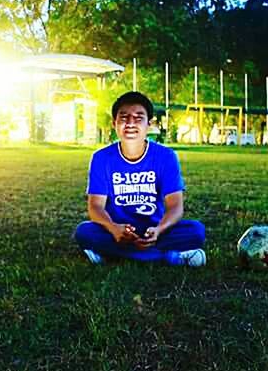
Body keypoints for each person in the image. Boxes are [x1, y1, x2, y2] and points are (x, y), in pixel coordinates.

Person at [73, 91, 206, 267]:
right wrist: (114, 229)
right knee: (84, 231)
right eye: (124, 117)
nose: (130, 123)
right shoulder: (101, 158)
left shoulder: (166, 156)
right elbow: (95, 207)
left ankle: (111, 256)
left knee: (196, 231)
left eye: (138, 118)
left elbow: (175, 206)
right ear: (114, 123)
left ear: (149, 124)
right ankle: (167, 258)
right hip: (118, 231)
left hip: (154, 229)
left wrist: (159, 230)